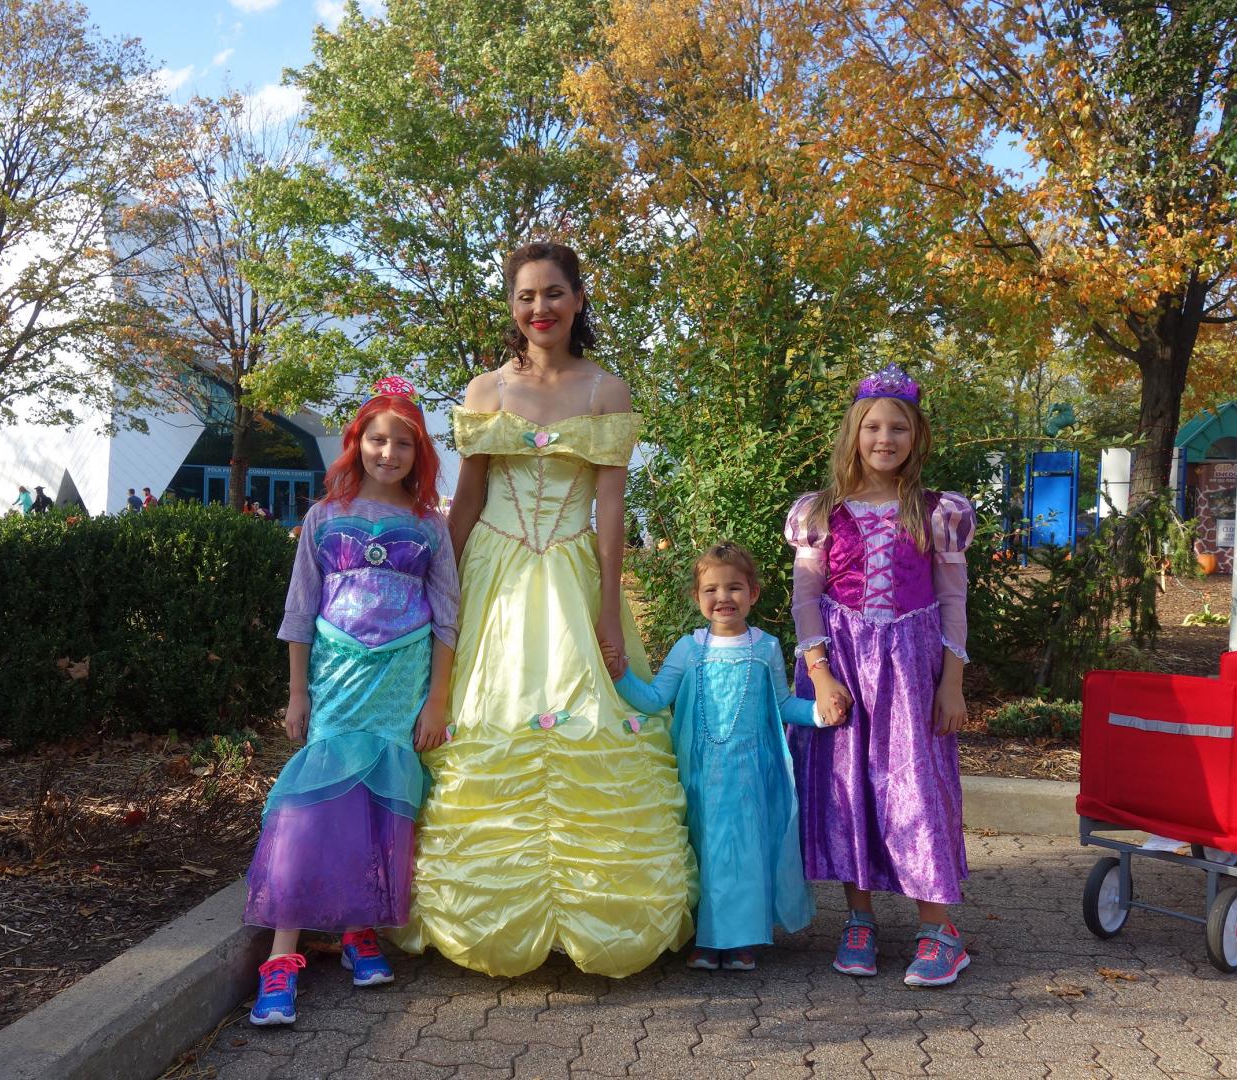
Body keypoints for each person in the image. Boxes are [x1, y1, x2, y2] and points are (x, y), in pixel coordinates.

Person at [393, 242, 695, 979]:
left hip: (569, 570)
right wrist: (441, 583)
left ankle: (597, 914)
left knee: (584, 715)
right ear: (511, 305)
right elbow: (466, 499)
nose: (540, 309)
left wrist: (611, 612)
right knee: (480, 716)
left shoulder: (606, 391)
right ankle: (476, 908)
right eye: (526, 296)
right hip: (492, 572)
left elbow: (611, 507)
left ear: (579, 299)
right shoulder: (484, 390)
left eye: (554, 293)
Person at [242, 377, 458, 1025]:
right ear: (355, 442)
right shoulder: (323, 518)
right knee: (314, 805)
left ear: (419, 452)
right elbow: (299, 612)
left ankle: (360, 928)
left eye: (402, 442)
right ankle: (280, 960)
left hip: (400, 685)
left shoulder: (430, 527)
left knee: (376, 803)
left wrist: (437, 700)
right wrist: (297, 692)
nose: (387, 452)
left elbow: (448, 616)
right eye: (376, 438)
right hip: (336, 681)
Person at [784, 363, 975, 988]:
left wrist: (952, 681)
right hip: (839, 666)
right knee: (846, 790)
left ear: (916, 437)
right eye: (873, 427)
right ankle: (859, 919)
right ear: (854, 433)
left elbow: (952, 600)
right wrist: (819, 672)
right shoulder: (820, 512)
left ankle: (940, 929)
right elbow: (805, 599)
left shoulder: (936, 512)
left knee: (916, 791)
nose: (884, 438)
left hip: (911, 670)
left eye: (898, 427)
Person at [603, 542, 838, 972]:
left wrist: (821, 714)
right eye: (711, 589)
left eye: (734, 588)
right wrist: (621, 677)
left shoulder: (765, 647)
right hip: (700, 773)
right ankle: (706, 939)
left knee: (745, 851)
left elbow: (783, 704)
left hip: (751, 773)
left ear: (753, 594)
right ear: (697, 598)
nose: (723, 598)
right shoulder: (689, 649)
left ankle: (743, 938)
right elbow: (656, 697)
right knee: (704, 850)